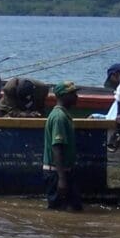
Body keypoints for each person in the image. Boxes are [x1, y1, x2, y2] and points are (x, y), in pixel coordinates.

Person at [43, 81, 82, 211]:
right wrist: (61, 179)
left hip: (65, 171)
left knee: (73, 209)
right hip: (57, 173)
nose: (76, 97)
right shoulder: (59, 117)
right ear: (63, 96)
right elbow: (57, 148)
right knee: (57, 210)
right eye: (72, 94)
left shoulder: (64, 115)